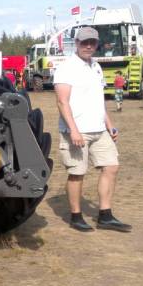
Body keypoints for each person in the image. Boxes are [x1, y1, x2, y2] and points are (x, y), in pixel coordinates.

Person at [54, 27, 131, 232]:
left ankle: (105, 215)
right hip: (77, 131)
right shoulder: (66, 67)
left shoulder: (95, 66)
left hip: (99, 130)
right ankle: (76, 216)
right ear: (76, 43)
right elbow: (62, 102)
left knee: (111, 167)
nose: (88, 46)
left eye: (92, 43)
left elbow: (99, 101)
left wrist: (109, 124)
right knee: (77, 173)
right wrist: (74, 130)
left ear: (97, 44)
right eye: (84, 42)